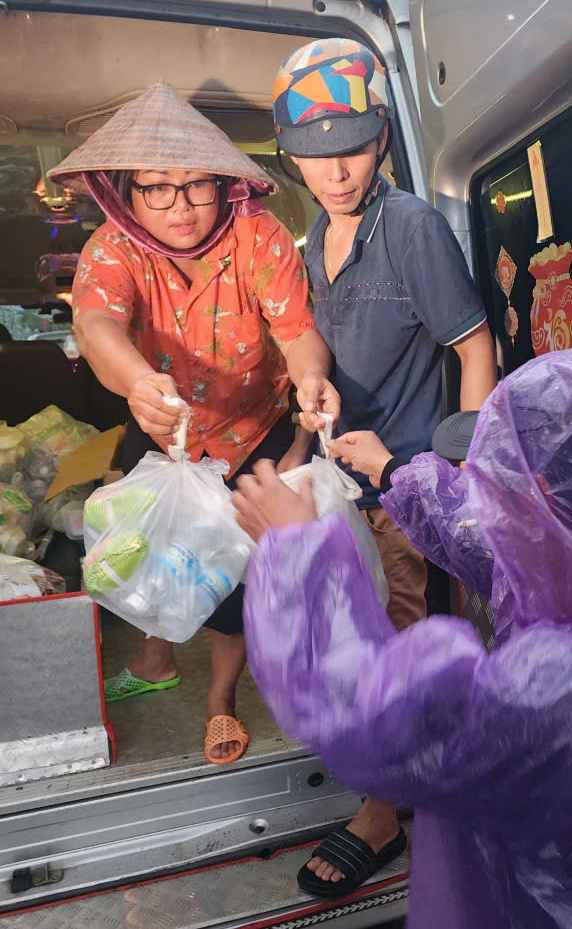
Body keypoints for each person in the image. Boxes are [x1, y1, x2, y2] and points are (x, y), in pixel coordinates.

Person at [233, 328, 572, 928]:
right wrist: (392, 470)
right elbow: (493, 546)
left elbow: (378, 719)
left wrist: (296, 558)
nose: (480, 503)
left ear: (541, 502)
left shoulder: (571, 688)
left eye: (490, 480)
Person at [50, 82, 338, 766]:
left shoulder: (259, 238)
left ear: (224, 185)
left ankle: (220, 699)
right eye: (156, 188)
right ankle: (156, 658)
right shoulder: (111, 250)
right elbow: (96, 325)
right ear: (126, 192)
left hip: (256, 425)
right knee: (151, 551)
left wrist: (310, 379)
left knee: (231, 576)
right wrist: (138, 382)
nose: (179, 206)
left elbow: (297, 332)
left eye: (196, 185)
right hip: (164, 424)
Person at [269, 36, 497, 896]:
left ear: (383, 141)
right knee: (360, 641)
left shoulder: (410, 227)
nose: (336, 173)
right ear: (290, 156)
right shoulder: (313, 239)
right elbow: (323, 354)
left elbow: (475, 348)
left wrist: (453, 476)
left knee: (409, 646)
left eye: (354, 149)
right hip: (347, 482)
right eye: (315, 154)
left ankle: (387, 814)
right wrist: (313, 400)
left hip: (408, 486)